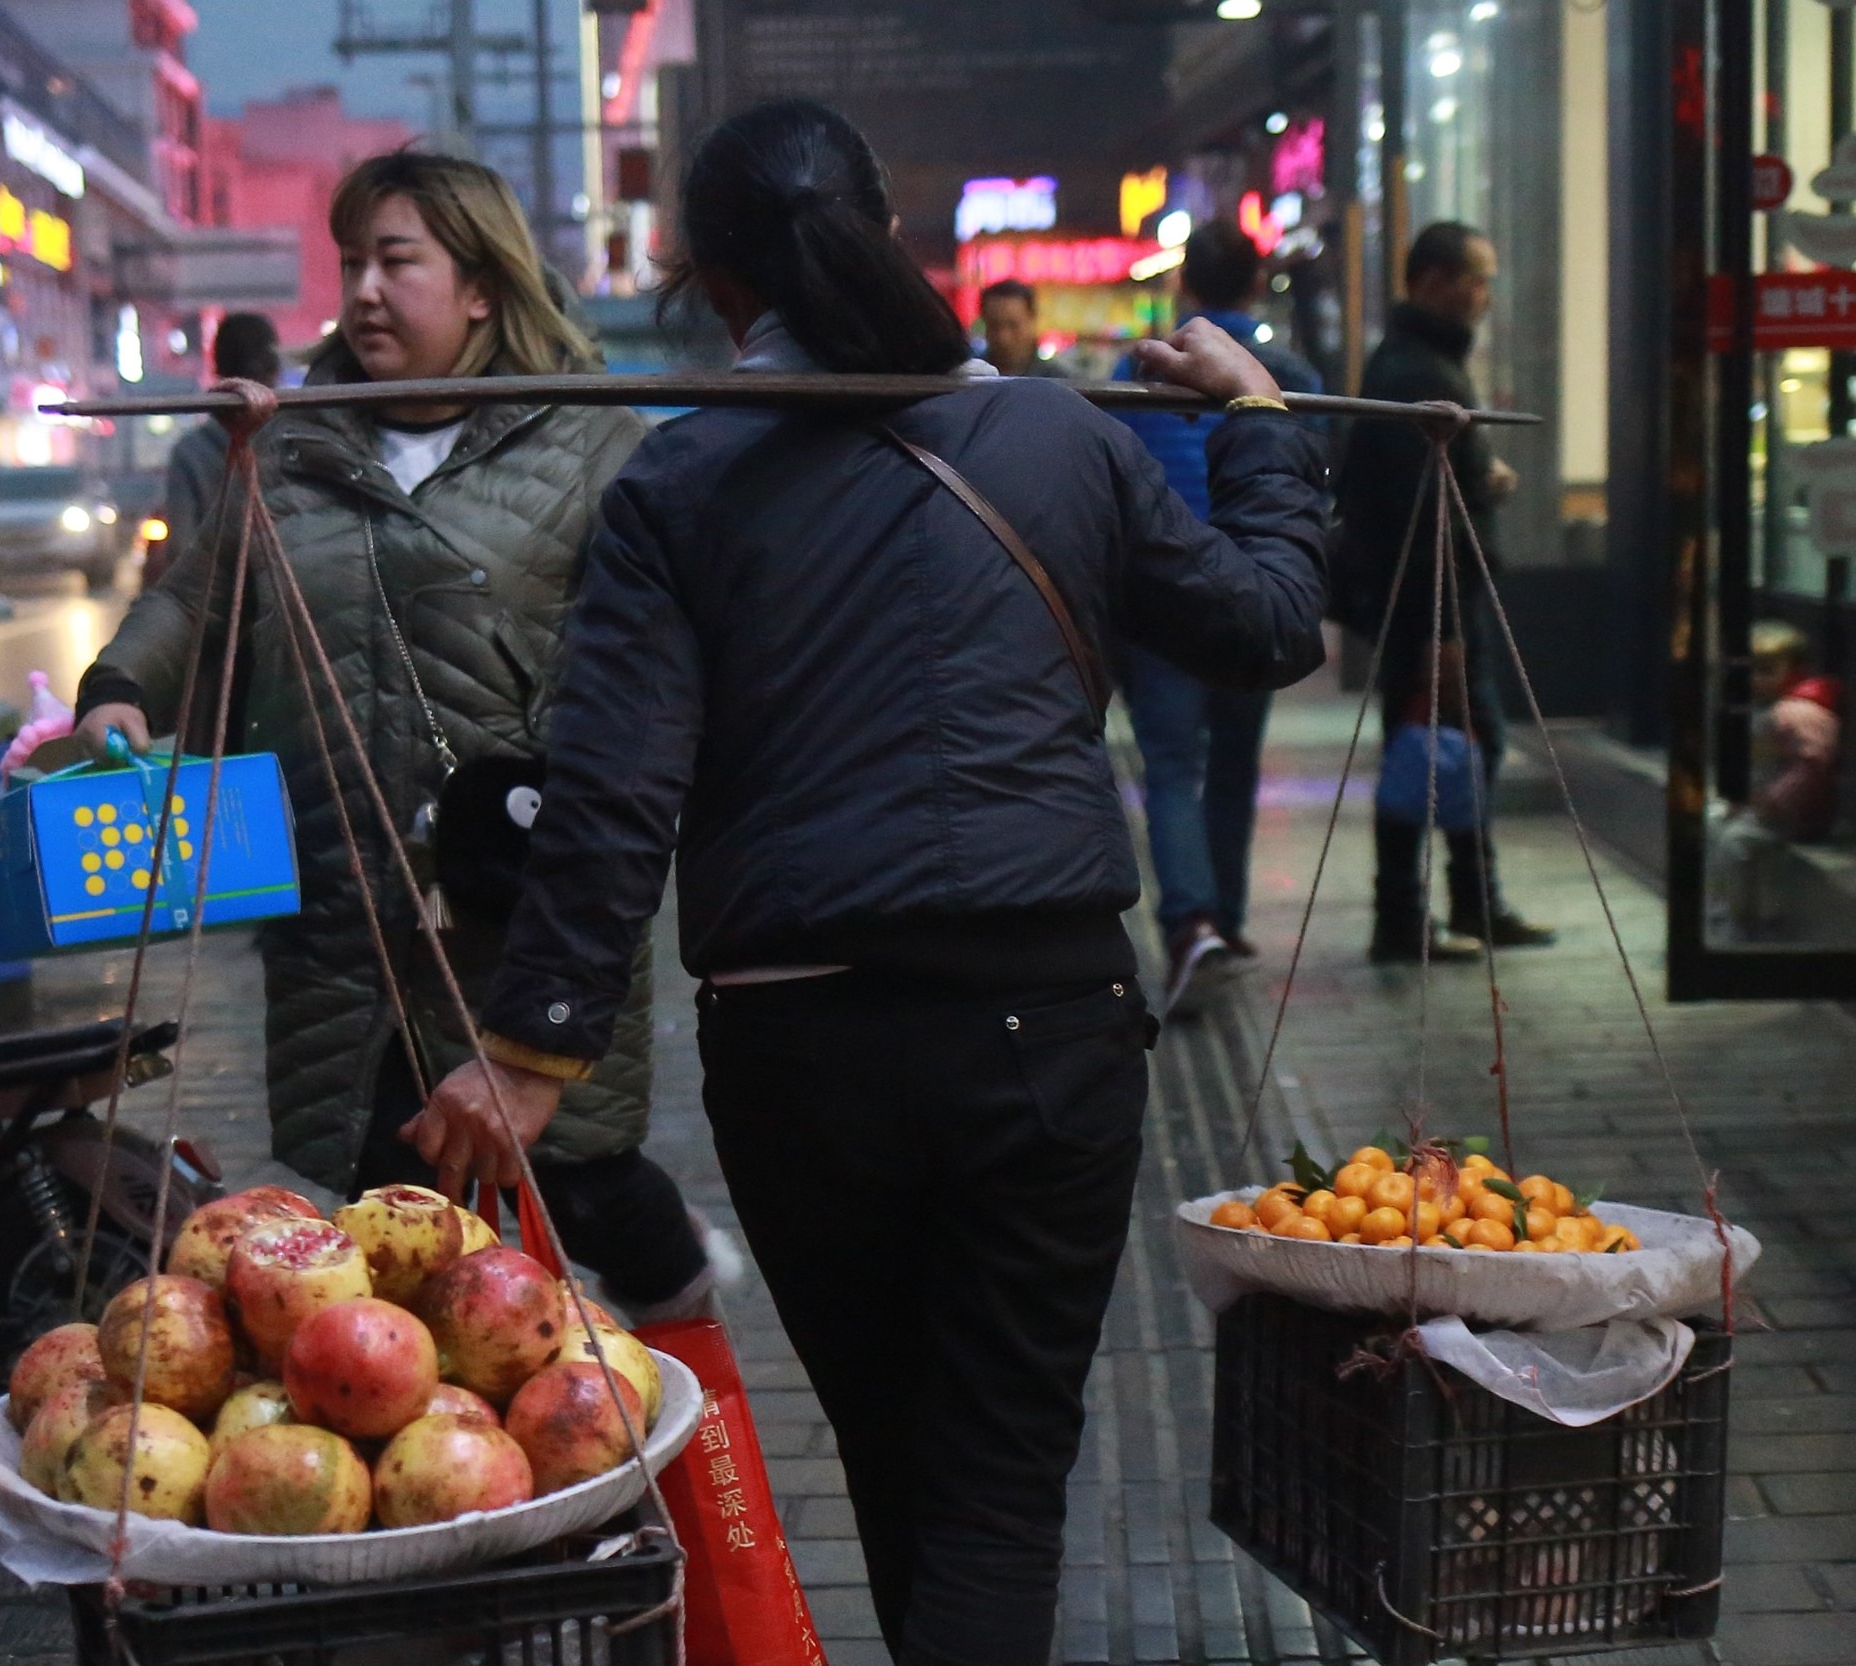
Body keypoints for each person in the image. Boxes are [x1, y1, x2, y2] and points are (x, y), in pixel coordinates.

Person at [410, 99, 1327, 1666]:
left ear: (711, 286)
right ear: (884, 236)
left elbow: (616, 791)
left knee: (902, 1459)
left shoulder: (681, 487)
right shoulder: (1058, 438)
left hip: (801, 1054)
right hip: (1046, 1035)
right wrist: (1256, 420)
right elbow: (1267, 622)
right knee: (989, 1487)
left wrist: (530, 1045)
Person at [74, 151, 721, 1323]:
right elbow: (196, 596)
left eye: (396, 261)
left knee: (580, 1179)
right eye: (352, 263)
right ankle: (430, 1427)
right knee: (389, 1214)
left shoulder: (594, 446)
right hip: (346, 913)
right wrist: (120, 687)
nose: (365, 290)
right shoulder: (289, 447)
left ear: (479, 286)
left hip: (517, 903)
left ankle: (687, 1357)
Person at [1112, 220, 1325, 1014]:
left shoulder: (1138, 367)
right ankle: (1225, 923)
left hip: (1163, 591)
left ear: (1185, 284)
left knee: (1171, 765)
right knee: (1234, 764)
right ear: (1254, 283)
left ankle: (1191, 924)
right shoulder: (1288, 373)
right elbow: (1310, 481)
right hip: (1254, 580)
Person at [1337, 221, 1554, 962]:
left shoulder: (1418, 361)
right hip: (1429, 606)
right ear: (1433, 281)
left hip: (1429, 602)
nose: (1485, 296)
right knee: (1433, 743)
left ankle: (1464, 902)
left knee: (1450, 740)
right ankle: (1408, 914)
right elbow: (1421, 514)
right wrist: (1444, 633)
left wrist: (1480, 480)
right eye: (1476, 279)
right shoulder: (1416, 372)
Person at [1712, 621, 1843, 938]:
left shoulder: (1799, 713)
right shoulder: (1762, 707)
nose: (1755, 679)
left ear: (1795, 671)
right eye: (1751, 671)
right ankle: (1728, 904)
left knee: (1735, 843)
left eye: (1767, 671)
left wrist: (1774, 801)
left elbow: (1811, 765)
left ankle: (1744, 917)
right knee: (1713, 826)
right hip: (1760, 806)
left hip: (1791, 814)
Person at [154, 313, 283, 586]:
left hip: (216, 599)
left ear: (219, 374)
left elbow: (182, 550)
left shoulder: (189, 453)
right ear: (273, 373)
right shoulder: (297, 441)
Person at [978, 278, 1059, 377]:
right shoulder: (969, 378)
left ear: (1033, 320)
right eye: (994, 325)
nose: (1003, 337)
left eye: (1013, 325)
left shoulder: (1059, 380)